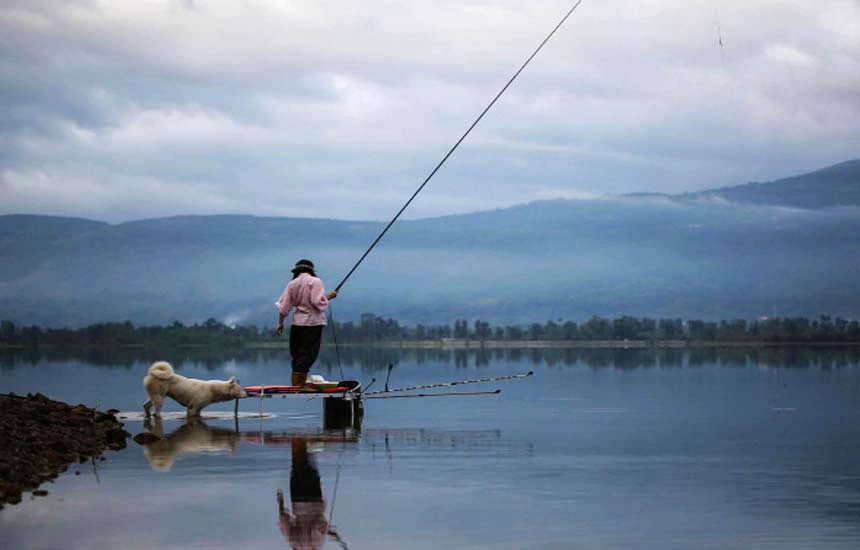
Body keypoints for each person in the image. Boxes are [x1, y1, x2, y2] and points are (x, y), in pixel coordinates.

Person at [275, 259, 338, 388]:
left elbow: (283, 308)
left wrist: (280, 323)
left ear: (297, 271)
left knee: (297, 354)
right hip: (313, 324)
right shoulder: (316, 281)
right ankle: (299, 384)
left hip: (297, 324)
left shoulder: (292, 284)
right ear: (311, 271)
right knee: (309, 353)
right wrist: (328, 297)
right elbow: (317, 302)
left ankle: (298, 381)